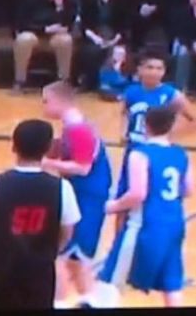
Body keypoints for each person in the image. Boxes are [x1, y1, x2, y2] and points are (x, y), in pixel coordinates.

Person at [86, 106, 195, 308]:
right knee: (172, 284)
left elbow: (138, 193)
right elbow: (188, 190)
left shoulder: (140, 153)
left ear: (146, 124)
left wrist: (114, 206)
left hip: (144, 225)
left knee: (111, 276)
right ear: (171, 125)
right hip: (174, 224)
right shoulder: (180, 154)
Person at [0, 119, 81, 310]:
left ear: (13, 146)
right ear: (48, 149)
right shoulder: (62, 188)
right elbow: (67, 232)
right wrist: (48, 252)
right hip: (39, 274)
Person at [40, 82, 113, 309]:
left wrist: (46, 163)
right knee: (73, 259)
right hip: (79, 195)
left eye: (46, 100)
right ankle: (90, 298)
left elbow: (83, 168)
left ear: (61, 101)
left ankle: (60, 302)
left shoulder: (79, 129)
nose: (43, 105)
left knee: (60, 255)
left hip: (87, 198)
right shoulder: (71, 127)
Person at [116, 49, 196, 202]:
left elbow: (194, 120)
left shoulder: (170, 94)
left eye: (159, 68)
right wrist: (123, 132)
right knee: (125, 196)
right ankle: (122, 227)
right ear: (139, 69)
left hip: (156, 153)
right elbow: (124, 113)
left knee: (149, 197)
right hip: (134, 149)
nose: (154, 72)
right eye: (150, 67)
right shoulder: (131, 92)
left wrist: (171, 135)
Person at [12, 0, 79, 93]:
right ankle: (19, 81)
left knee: (66, 40)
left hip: (56, 38)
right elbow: (22, 23)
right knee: (23, 39)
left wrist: (59, 6)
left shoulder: (70, 1)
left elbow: (68, 24)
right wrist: (44, 29)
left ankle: (63, 81)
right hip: (36, 35)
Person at [76, 0, 127, 92]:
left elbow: (124, 24)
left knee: (113, 51)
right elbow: (84, 24)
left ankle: (107, 83)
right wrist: (96, 38)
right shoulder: (90, 0)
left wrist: (114, 40)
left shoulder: (119, 0)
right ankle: (92, 82)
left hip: (113, 35)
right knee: (91, 51)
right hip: (94, 35)